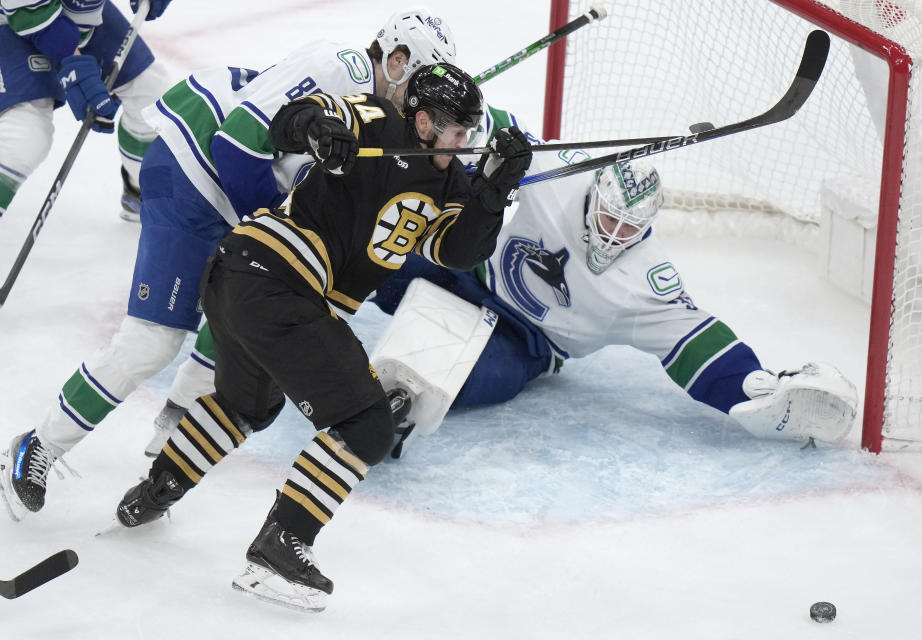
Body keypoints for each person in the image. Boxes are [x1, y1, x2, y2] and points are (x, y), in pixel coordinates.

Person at [0, 6, 457, 521]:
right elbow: (236, 142)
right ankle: (37, 446)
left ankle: (163, 458)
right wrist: (266, 241)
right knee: (153, 340)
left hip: (222, 192)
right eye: (416, 81)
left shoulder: (379, 116)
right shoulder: (344, 67)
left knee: (238, 330)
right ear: (395, 61)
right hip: (192, 170)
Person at [111, 63, 533, 612]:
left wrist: (494, 191)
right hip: (275, 277)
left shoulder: (454, 182)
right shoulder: (374, 119)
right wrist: (317, 130)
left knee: (246, 405)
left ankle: (154, 490)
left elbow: (459, 253)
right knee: (367, 423)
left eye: (469, 135)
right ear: (424, 120)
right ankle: (279, 548)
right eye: (456, 132)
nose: (464, 144)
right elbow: (291, 119)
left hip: (250, 287)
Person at [366, 104, 860, 456]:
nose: (614, 233)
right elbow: (496, 126)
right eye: (608, 218)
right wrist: (478, 130)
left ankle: (393, 405)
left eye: (629, 227)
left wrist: (755, 387)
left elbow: (694, 339)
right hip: (467, 272)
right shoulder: (559, 175)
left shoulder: (645, 281)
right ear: (596, 196)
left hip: (526, 344)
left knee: (464, 379)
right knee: (377, 251)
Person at [0, 0, 174, 222]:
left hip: (78, 11)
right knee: (25, 137)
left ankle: (141, 189)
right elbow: (28, 12)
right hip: (14, 14)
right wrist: (71, 58)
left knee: (151, 95)